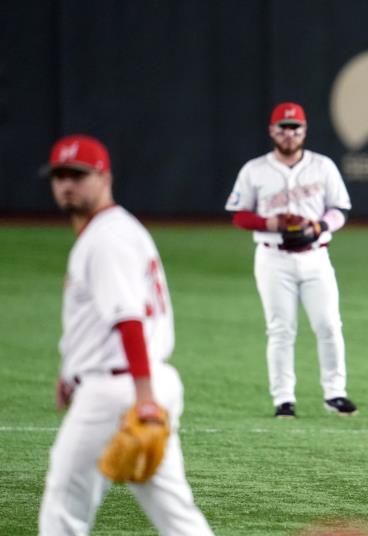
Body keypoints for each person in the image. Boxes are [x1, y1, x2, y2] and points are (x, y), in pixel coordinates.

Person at [39, 134, 214, 534]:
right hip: (142, 381)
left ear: (104, 177)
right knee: (174, 511)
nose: (67, 184)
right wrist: (71, 375)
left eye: (78, 175)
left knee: (63, 505)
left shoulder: (106, 239)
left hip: (121, 390)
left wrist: (144, 399)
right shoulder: (116, 230)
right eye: (60, 175)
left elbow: (127, 319)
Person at [225, 102, 357, 419]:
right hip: (273, 258)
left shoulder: (322, 166)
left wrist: (319, 226)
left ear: (304, 130)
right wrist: (272, 223)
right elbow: (239, 214)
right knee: (281, 329)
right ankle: (284, 399)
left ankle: (335, 394)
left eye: (294, 127)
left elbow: (340, 210)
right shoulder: (255, 170)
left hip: (316, 256)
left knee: (328, 325)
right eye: (283, 127)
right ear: (272, 131)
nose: (289, 133)